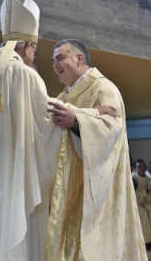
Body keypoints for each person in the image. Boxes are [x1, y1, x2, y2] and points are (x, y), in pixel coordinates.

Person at [0, 0, 114, 261]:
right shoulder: (23, 74)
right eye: (36, 50)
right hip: (10, 179)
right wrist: (90, 114)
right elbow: (51, 119)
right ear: (28, 46)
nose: (34, 55)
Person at [45, 39, 147, 261]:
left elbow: (111, 129)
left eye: (60, 58)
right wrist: (89, 114)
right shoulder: (62, 99)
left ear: (79, 58)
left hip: (100, 190)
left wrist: (77, 120)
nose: (54, 65)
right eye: (53, 61)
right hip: (68, 188)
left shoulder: (103, 88)